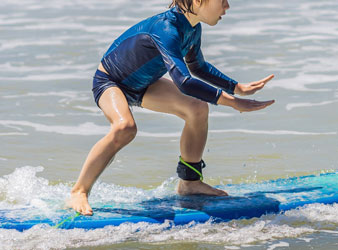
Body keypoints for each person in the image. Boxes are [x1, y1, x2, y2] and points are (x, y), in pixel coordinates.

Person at [68, 0, 275, 216]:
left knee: (197, 108)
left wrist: (236, 87)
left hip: (145, 83)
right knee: (125, 127)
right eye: (222, 0)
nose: (227, 6)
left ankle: (190, 183)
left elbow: (197, 66)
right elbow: (183, 81)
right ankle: (79, 191)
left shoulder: (193, 28)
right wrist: (233, 102)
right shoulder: (166, 28)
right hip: (111, 81)